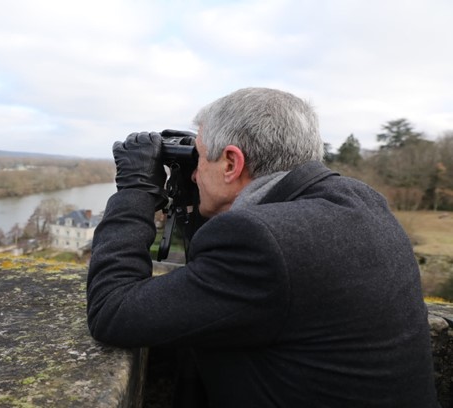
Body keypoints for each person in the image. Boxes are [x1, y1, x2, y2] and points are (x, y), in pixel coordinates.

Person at [86, 87, 439, 407]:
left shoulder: (263, 242)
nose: (194, 173)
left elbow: (113, 312)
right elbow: (212, 280)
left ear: (231, 163)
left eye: (199, 158)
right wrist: (205, 197)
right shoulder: (358, 200)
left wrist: (135, 191)